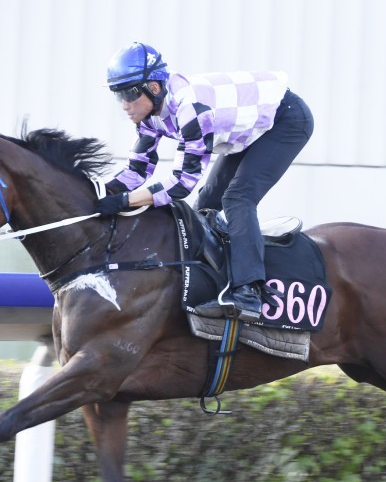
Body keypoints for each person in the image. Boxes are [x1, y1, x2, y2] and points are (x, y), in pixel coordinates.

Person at [96, 42, 314, 321]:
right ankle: (215, 281)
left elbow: (181, 184)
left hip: (286, 119)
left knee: (237, 198)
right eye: (118, 95)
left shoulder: (191, 110)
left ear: (153, 87)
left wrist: (125, 201)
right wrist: (100, 193)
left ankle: (248, 292)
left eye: (129, 93)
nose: (124, 105)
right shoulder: (148, 116)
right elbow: (137, 170)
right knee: (205, 205)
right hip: (249, 128)